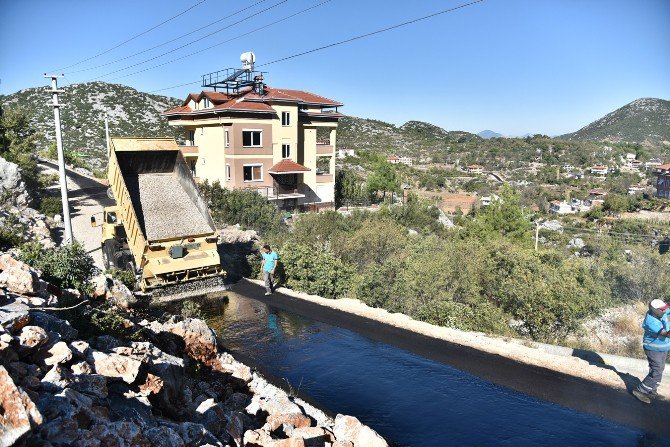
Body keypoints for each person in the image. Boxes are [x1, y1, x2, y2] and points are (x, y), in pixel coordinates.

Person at [633, 299, 670, 404]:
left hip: (663, 347)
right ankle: (640, 390)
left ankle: (652, 390)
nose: (665, 311)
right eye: (662, 309)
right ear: (656, 310)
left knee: (659, 369)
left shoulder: (660, 312)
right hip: (653, 349)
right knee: (657, 370)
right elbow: (666, 333)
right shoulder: (651, 321)